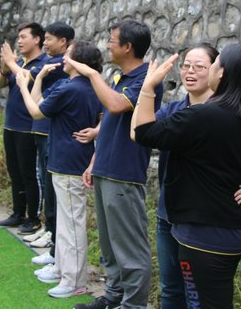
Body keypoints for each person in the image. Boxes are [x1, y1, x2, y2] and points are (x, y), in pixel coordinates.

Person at [132, 43, 241, 309]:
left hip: (203, 234)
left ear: (221, 73)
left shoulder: (201, 116)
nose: (192, 71)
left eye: (210, 65)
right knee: (216, 297)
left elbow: (143, 134)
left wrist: (149, 87)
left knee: (200, 301)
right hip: (239, 229)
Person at [67, 20, 163, 309]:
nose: (108, 45)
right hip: (106, 168)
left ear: (127, 47)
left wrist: (90, 72)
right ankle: (113, 296)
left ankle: (132, 305)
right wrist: (94, 161)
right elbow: (111, 123)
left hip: (125, 172)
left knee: (129, 246)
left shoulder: (146, 79)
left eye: (112, 40)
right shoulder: (122, 77)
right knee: (110, 244)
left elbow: (115, 106)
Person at [16, 40, 103, 299]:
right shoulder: (86, 86)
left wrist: (24, 84)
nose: (64, 59)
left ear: (78, 61)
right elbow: (103, 116)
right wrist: (40, 78)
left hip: (69, 162)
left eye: (68, 55)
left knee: (72, 224)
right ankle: (63, 269)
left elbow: (35, 111)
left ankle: (74, 280)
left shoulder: (71, 88)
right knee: (66, 222)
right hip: (70, 159)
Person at [0, 22, 46, 232]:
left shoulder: (42, 64)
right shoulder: (20, 63)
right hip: (11, 126)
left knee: (29, 174)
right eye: (19, 38)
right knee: (14, 172)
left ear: (37, 39)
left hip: (28, 127)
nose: (20, 41)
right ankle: (18, 213)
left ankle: (33, 218)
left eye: (24, 37)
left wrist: (11, 63)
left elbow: (25, 78)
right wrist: (5, 67)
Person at [29, 21, 74, 255]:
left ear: (63, 42)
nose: (45, 43)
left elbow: (26, 76)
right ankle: (49, 230)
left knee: (52, 186)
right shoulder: (50, 63)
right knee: (45, 181)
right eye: (44, 38)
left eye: (48, 39)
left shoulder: (59, 64)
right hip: (42, 129)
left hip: (51, 132)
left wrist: (11, 65)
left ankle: (54, 237)